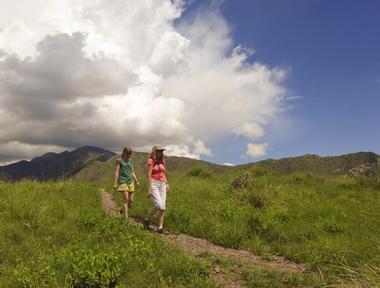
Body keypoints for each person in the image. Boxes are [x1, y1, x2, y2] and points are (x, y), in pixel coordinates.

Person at [143, 144, 170, 234]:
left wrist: (166, 183)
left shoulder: (162, 161)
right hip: (154, 183)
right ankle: (146, 218)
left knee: (163, 208)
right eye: (159, 151)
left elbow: (163, 173)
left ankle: (160, 227)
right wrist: (149, 188)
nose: (161, 152)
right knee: (159, 205)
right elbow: (149, 175)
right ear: (155, 151)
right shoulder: (151, 161)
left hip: (162, 184)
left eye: (162, 151)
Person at [113, 146, 140, 220]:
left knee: (131, 200)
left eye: (130, 153)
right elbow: (116, 172)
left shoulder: (130, 161)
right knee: (125, 200)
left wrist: (136, 180)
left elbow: (132, 172)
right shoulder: (119, 161)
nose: (128, 155)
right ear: (124, 153)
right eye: (127, 153)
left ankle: (123, 210)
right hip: (123, 181)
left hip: (130, 181)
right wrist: (115, 183)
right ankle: (126, 218)